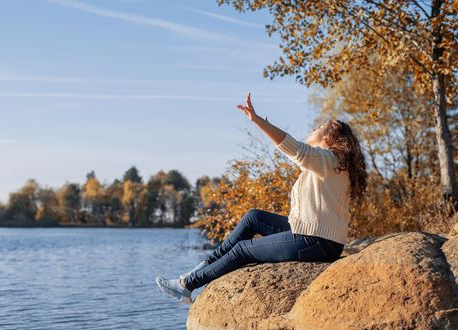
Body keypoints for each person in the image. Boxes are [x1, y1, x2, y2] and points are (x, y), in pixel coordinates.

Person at [156, 91, 368, 304]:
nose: (314, 128)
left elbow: (296, 150)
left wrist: (258, 122)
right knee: (254, 217)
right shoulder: (330, 164)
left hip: (317, 242)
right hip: (312, 234)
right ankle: (199, 268)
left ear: (330, 137)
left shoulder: (331, 161)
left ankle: (188, 285)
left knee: (243, 250)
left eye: (320, 127)